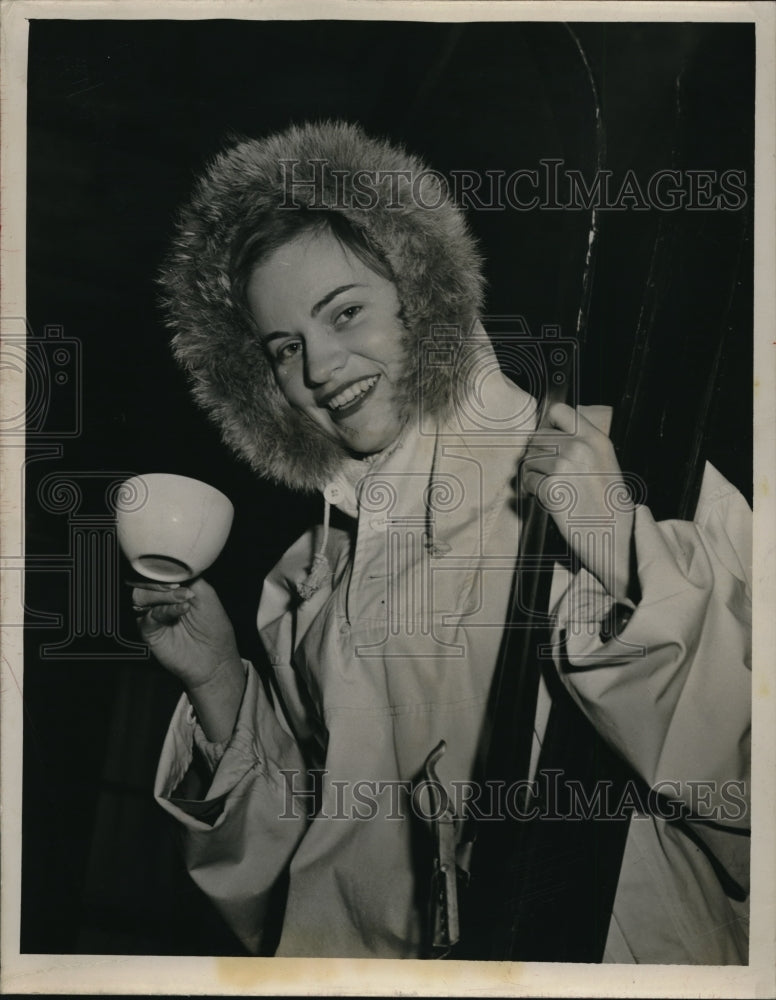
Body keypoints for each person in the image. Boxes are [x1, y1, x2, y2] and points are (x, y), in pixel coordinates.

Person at [133, 121, 751, 962]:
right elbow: (294, 909)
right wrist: (216, 686)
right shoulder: (309, 588)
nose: (317, 371)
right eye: (285, 349)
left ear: (422, 292)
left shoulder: (625, 459)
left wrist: (621, 552)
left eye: (345, 311)